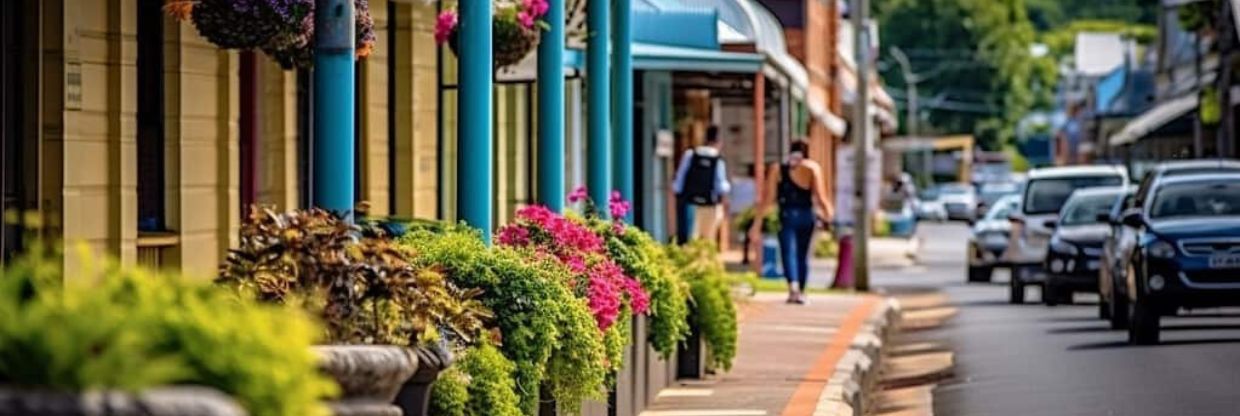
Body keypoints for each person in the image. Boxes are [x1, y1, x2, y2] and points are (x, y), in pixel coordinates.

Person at [748, 139, 835, 304]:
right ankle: (802, 290)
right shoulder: (812, 168)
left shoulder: (778, 169)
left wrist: (757, 222)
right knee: (803, 254)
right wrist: (829, 216)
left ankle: (793, 288)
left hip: (787, 214)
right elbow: (820, 196)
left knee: (788, 252)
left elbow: (768, 198)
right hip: (807, 215)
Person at [673, 126, 731, 243]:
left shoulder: (690, 154)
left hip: (690, 204)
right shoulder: (718, 159)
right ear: (718, 142)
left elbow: (677, 184)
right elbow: (721, 187)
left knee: (690, 241)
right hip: (710, 205)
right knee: (707, 242)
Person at [730, 164, 758, 264]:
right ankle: (749, 257)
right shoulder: (756, 184)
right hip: (751, 212)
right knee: (749, 236)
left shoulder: (741, 183)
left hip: (742, 211)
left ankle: (746, 256)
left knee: (745, 236)